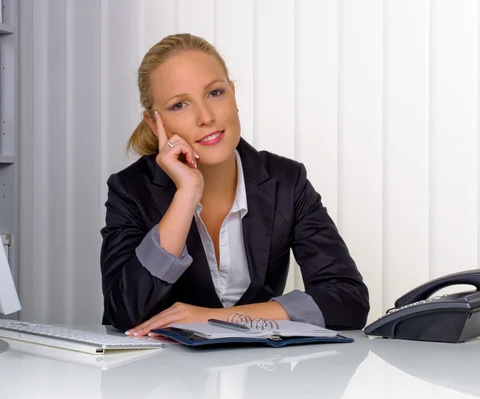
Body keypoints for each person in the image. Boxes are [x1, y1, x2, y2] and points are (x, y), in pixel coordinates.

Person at [100, 33, 370, 336]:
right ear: (154, 124)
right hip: (168, 377)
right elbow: (124, 313)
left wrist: (219, 318)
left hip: (258, 376)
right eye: (180, 105)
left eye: (215, 93)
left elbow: (348, 299)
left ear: (234, 95)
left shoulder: (286, 181)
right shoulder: (131, 190)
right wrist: (186, 196)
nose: (206, 116)